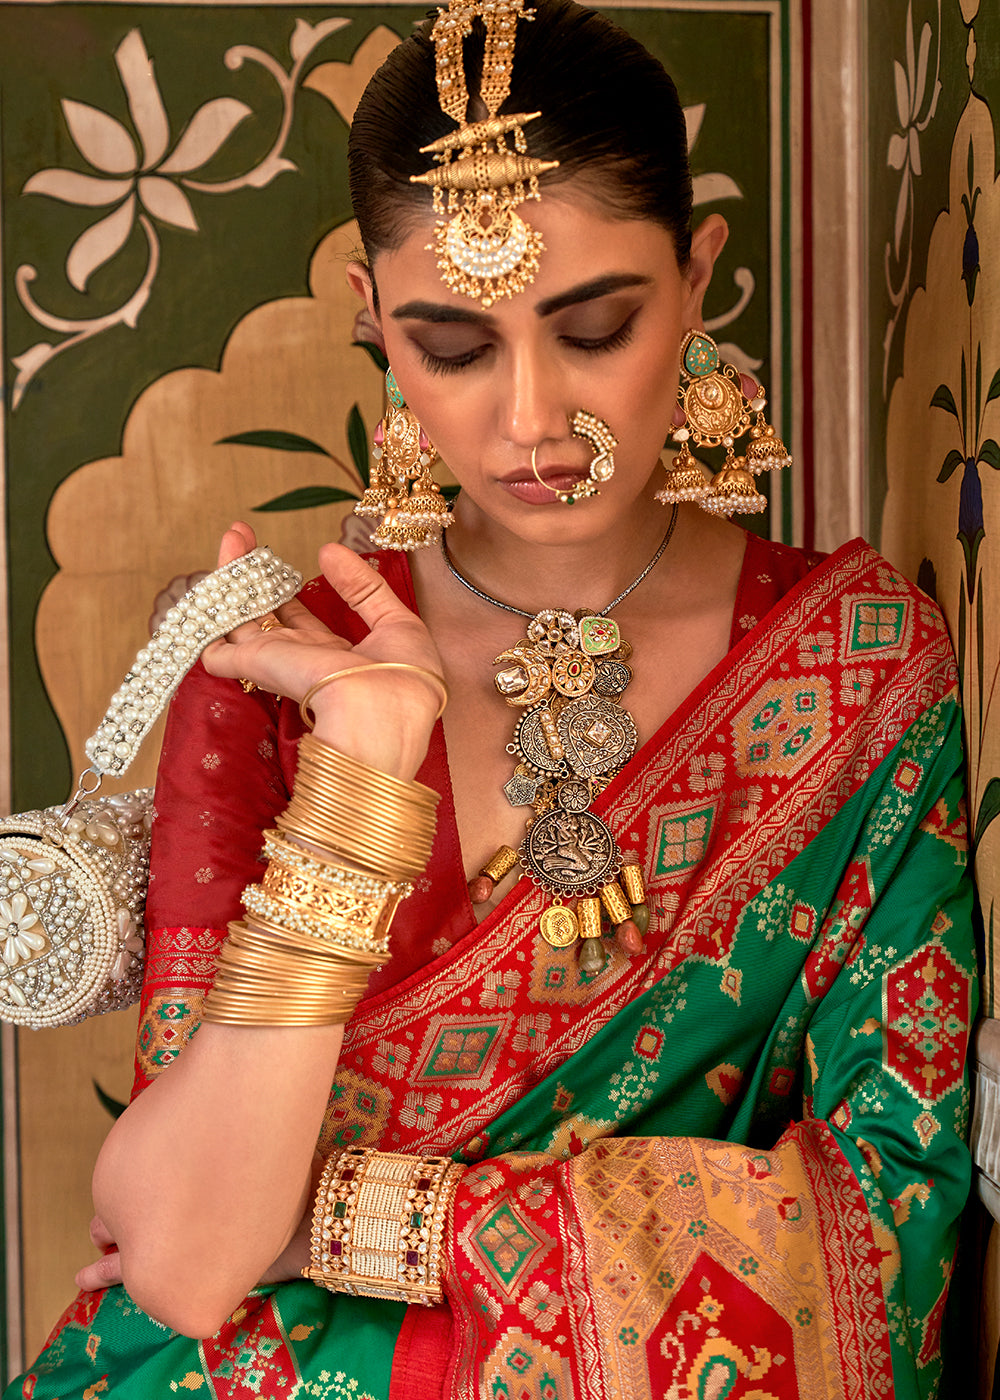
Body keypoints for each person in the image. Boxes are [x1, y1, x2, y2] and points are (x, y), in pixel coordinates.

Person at [9, 1, 976, 1396]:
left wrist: (363, 1221)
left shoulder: (858, 669)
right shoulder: (281, 665)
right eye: (453, 346)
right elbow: (182, 1260)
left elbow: (878, 1229)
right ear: (372, 325)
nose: (529, 419)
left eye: (595, 328)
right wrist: (365, 755)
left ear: (700, 279)